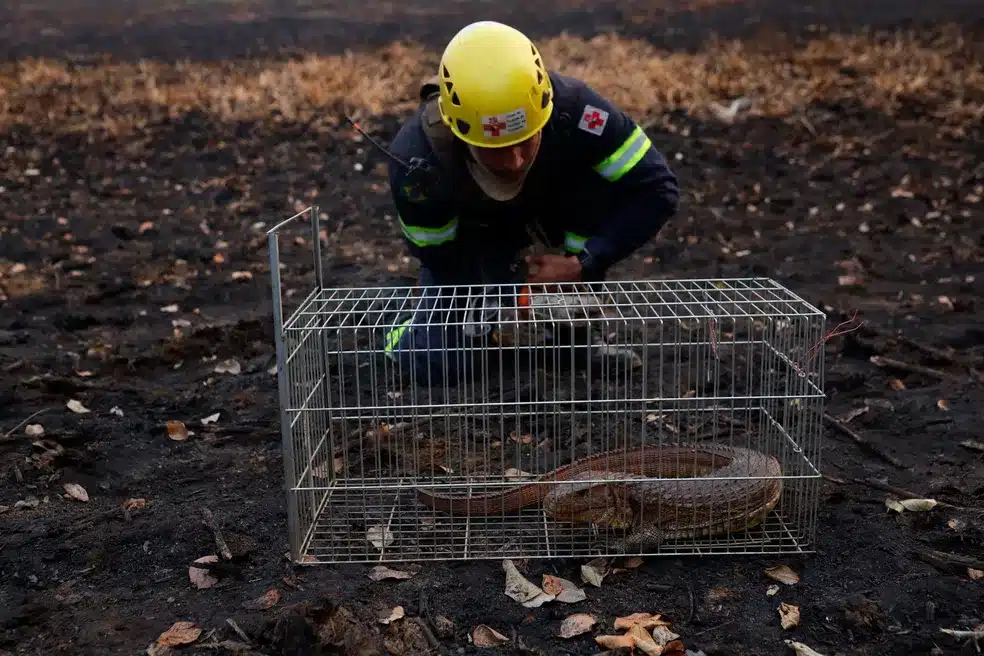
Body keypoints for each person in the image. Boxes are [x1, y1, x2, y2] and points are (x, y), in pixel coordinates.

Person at [382, 20, 680, 384]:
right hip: (470, 241)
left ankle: (577, 339)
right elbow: (439, 257)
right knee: (439, 365)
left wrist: (584, 263)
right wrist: (507, 288)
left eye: (524, 140)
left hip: (558, 225)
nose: (514, 161)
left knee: (595, 187)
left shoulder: (577, 112)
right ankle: (405, 326)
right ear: (460, 132)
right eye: (496, 149)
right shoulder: (417, 160)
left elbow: (656, 188)